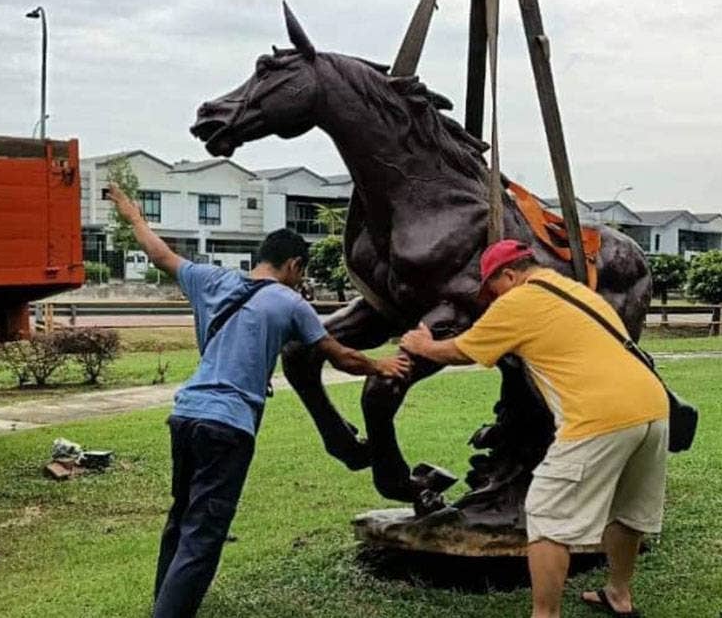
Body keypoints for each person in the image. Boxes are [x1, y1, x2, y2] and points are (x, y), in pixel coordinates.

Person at [105, 185, 410, 618]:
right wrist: (381, 367)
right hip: (228, 426)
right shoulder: (289, 302)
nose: (300, 279)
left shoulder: (210, 279)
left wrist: (133, 215)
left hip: (186, 414)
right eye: (300, 272)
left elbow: (160, 255)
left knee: (182, 515)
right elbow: (338, 355)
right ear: (293, 265)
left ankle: (164, 600)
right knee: (204, 531)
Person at [401, 239, 668, 618]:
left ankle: (545, 615)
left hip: (598, 416)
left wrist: (423, 345)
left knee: (545, 516)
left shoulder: (519, 301)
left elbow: (462, 350)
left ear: (509, 275)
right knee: (626, 510)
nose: (491, 299)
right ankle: (618, 595)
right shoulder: (573, 289)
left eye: (491, 289)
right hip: (651, 407)